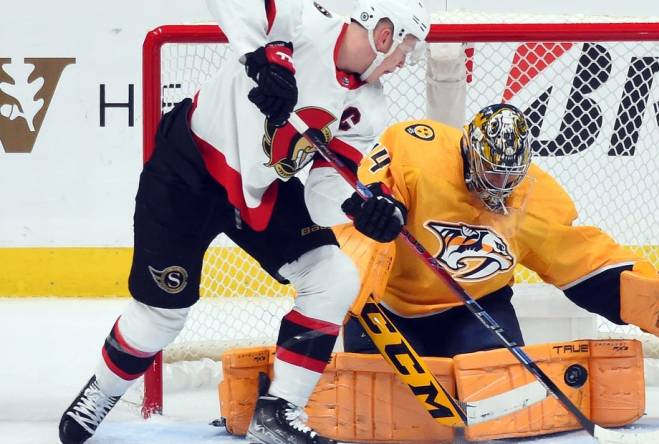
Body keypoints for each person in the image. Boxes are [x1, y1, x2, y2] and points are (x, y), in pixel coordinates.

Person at [58, 1, 430, 443]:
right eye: (405, 48)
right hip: (192, 165)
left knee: (333, 278)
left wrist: (359, 207)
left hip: (265, 189)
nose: (404, 62)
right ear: (384, 35)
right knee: (161, 316)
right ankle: (103, 391)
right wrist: (262, 53)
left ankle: (277, 413)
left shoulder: (366, 107)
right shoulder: (304, 23)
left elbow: (323, 192)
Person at [340, 103, 659, 361]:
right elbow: (368, 182)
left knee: (496, 383)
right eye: (494, 172)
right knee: (380, 399)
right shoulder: (418, 149)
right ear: (471, 155)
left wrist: (653, 296)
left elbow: (583, 262)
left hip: (476, 311)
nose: (503, 185)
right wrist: (378, 206)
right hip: (387, 307)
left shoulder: (534, 197)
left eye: (512, 175)